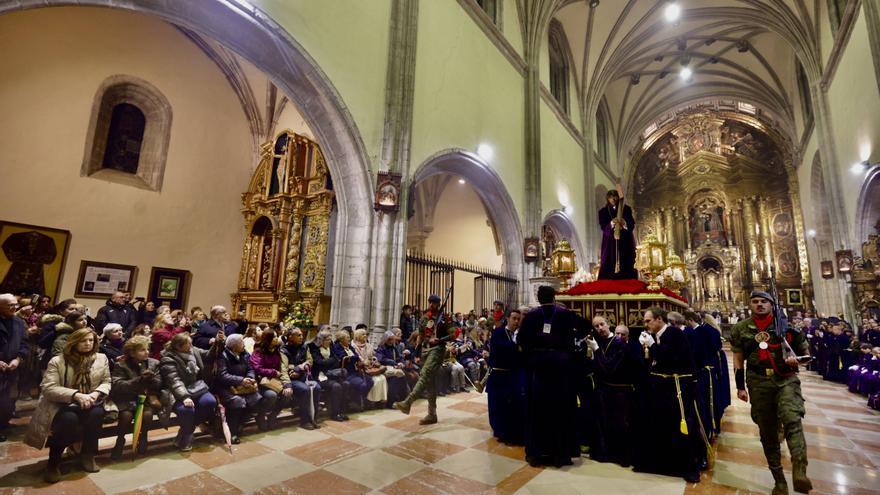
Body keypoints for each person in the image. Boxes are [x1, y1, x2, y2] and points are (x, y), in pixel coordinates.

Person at [731, 291, 812, 495]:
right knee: (767, 431)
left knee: (792, 419)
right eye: (755, 301)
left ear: (772, 304)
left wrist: (797, 360)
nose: (759, 304)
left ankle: (799, 469)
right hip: (758, 381)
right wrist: (740, 386)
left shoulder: (786, 326)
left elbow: (806, 355)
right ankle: (780, 481)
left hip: (785, 378)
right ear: (750, 304)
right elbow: (739, 359)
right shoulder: (741, 328)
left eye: (764, 301)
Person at [25, 328, 111, 483]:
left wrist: (96, 393)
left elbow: (106, 381)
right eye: (83, 341)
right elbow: (48, 387)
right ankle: (53, 462)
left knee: (96, 415)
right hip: (62, 403)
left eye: (91, 340)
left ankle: (87, 455)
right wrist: (76, 395)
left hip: (91, 400)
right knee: (68, 420)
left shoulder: (101, 358)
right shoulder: (58, 360)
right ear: (74, 342)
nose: (88, 344)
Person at [517, 286, 589, 467]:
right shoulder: (565, 314)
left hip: (539, 368)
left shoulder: (531, 316)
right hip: (561, 366)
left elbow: (521, 341)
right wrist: (570, 346)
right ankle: (561, 454)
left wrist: (532, 352)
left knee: (538, 409)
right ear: (554, 297)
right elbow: (585, 327)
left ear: (539, 298)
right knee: (561, 408)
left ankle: (538, 454)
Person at [633, 307, 702, 483]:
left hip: (678, 388)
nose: (646, 324)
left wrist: (652, 346)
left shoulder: (673, 333)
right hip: (662, 388)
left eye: (648, 320)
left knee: (682, 426)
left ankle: (690, 466)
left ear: (659, 319)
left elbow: (671, 358)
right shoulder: (658, 335)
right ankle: (664, 463)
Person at [590, 315, 643, 466]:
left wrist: (596, 350)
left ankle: (623, 457)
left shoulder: (619, 343)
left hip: (620, 391)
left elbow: (609, 367)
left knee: (621, 424)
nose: (600, 328)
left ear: (608, 324)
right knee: (606, 423)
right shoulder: (600, 341)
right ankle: (607, 453)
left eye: (602, 324)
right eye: (596, 326)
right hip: (605, 390)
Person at [393, 293, 452, 425]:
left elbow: (454, 333)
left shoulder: (445, 318)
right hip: (425, 350)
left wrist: (440, 339)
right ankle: (432, 414)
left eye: (434, 302)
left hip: (437, 349)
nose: (431, 304)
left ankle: (408, 402)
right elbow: (420, 335)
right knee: (430, 381)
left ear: (438, 304)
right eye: (430, 302)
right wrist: (416, 352)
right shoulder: (425, 318)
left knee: (425, 375)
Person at [109, 335, 169, 459]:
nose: (147, 352)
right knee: (126, 416)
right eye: (142, 350)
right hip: (127, 398)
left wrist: (151, 379)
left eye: (147, 349)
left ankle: (143, 437)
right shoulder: (121, 365)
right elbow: (118, 386)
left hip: (146, 398)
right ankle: (120, 440)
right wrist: (140, 379)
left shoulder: (154, 363)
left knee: (147, 415)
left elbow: (159, 384)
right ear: (131, 353)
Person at [160, 332, 219, 451]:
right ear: (179, 347)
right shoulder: (168, 358)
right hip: (176, 392)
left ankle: (185, 431)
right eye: (188, 343)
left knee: (210, 402)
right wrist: (185, 397)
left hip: (196, 388)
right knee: (186, 409)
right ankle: (187, 436)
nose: (192, 345)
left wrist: (217, 343)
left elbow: (208, 355)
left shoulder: (193, 350)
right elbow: (174, 380)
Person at [486, 308, 525, 445]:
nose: (516, 321)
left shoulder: (518, 335)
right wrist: (517, 347)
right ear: (507, 318)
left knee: (509, 406)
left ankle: (508, 431)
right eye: (514, 318)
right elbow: (502, 347)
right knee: (497, 404)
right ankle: (499, 431)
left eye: (518, 319)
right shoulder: (498, 332)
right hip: (498, 374)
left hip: (511, 375)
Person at [215, 333, 262, 443]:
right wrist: (241, 380)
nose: (244, 345)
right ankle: (232, 432)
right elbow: (223, 375)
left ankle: (240, 423)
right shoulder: (222, 355)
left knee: (257, 399)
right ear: (234, 346)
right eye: (241, 342)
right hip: (225, 387)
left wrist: (250, 378)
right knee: (238, 402)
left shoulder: (245, 354)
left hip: (243, 386)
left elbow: (250, 369)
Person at [280, 328, 322, 429]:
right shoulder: (284, 349)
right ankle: (305, 420)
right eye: (298, 335)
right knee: (305, 390)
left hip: (303, 376)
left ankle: (314, 418)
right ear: (290, 337)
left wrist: (297, 368)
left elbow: (310, 361)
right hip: (291, 380)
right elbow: (284, 369)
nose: (301, 337)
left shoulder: (304, 346)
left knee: (317, 387)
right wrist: (287, 384)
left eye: (301, 335)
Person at [0, 294, 28, 441]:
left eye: (15, 304)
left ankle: (3, 425)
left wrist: (18, 359)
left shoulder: (18, 322)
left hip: (12, 369)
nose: (15, 308)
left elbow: (24, 344)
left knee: (7, 402)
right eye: (10, 305)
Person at [308, 328, 349, 421]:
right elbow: (318, 363)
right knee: (336, 386)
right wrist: (330, 361)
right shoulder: (314, 349)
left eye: (330, 339)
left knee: (346, 384)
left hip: (331, 374)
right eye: (327, 340)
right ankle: (334, 414)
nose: (329, 341)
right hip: (318, 376)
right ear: (321, 340)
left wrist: (328, 362)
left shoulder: (331, 347)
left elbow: (337, 361)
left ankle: (341, 411)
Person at [598, 186, 637, 280]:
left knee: (626, 260)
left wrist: (625, 224)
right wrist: (612, 223)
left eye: (615, 196)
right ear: (608, 199)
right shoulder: (603, 211)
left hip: (625, 241)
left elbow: (632, 224)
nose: (613, 198)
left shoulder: (626, 209)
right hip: (610, 242)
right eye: (611, 197)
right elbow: (603, 226)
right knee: (609, 261)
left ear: (618, 197)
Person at [332, 330, 373, 412]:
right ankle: (354, 401)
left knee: (370, 381)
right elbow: (343, 358)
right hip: (346, 372)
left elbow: (356, 356)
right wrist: (354, 358)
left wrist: (354, 358)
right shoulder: (337, 347)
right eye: (347, 338)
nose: (349, 339)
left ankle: (359, 400)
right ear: (341, 339)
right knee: (362, 384)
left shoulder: (349, 346)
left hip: (355, 370)